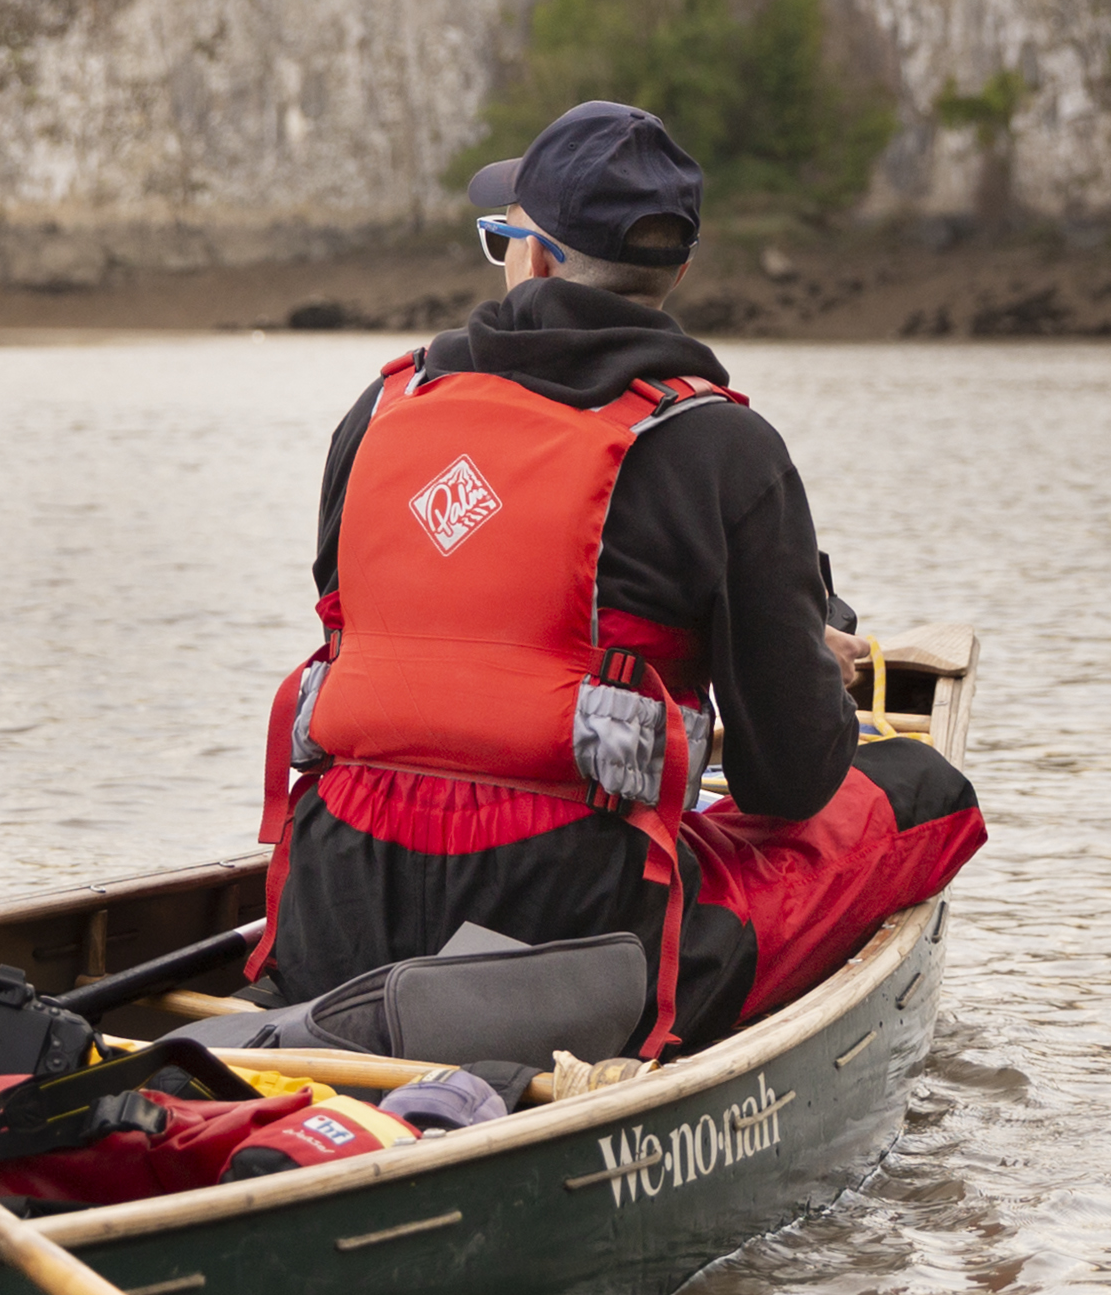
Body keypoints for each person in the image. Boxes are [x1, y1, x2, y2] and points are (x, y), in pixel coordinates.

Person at [262, 98, 983, 1052]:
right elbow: (787, 783)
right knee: (923, 786)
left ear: (540, 258)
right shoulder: (725, 447)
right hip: (573, 954)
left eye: (504, 235)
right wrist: (806, 660)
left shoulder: (380, 413)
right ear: (677, 269)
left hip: (333, 914)